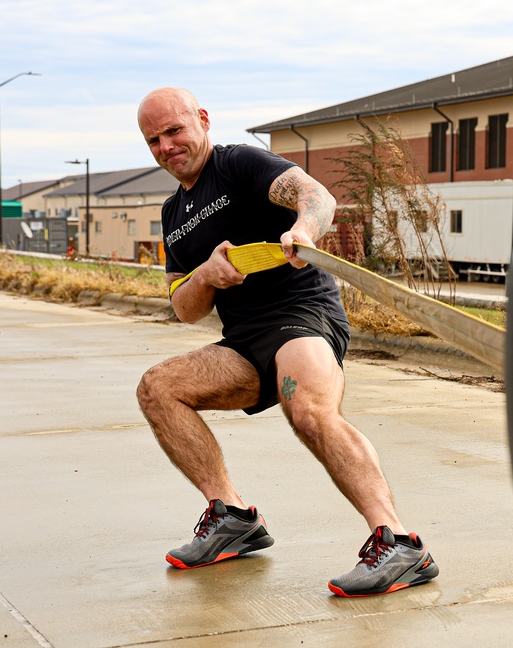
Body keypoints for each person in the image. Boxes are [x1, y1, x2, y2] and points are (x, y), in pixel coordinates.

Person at [135, 87, 438, 597]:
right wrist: (206, 274)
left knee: (309, 412)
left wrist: (304, 231)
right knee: (157, 388)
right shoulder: (173, 212)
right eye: (153, 140)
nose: (167, 146)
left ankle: (401, 543)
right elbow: (185, 308)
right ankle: (231, 517)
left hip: (302, 316)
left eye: (174, 130)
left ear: (202, 120)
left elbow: (317, 196)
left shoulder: (238, 165)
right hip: (244, 343)